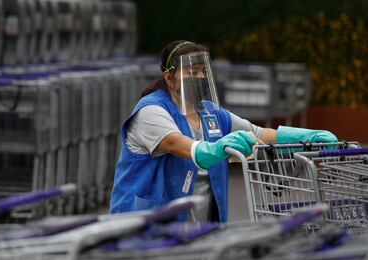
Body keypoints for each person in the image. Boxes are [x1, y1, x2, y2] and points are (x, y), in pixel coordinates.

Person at [109, 40, 337, 223]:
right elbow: (176, 144)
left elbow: (257, 133)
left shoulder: (211, 114)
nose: (198, 77)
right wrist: (217, 148)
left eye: (202, 71)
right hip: (143, 227)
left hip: (199, 227)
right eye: (191, 71)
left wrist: (308, 136)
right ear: (170, 77)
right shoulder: (151, 111)